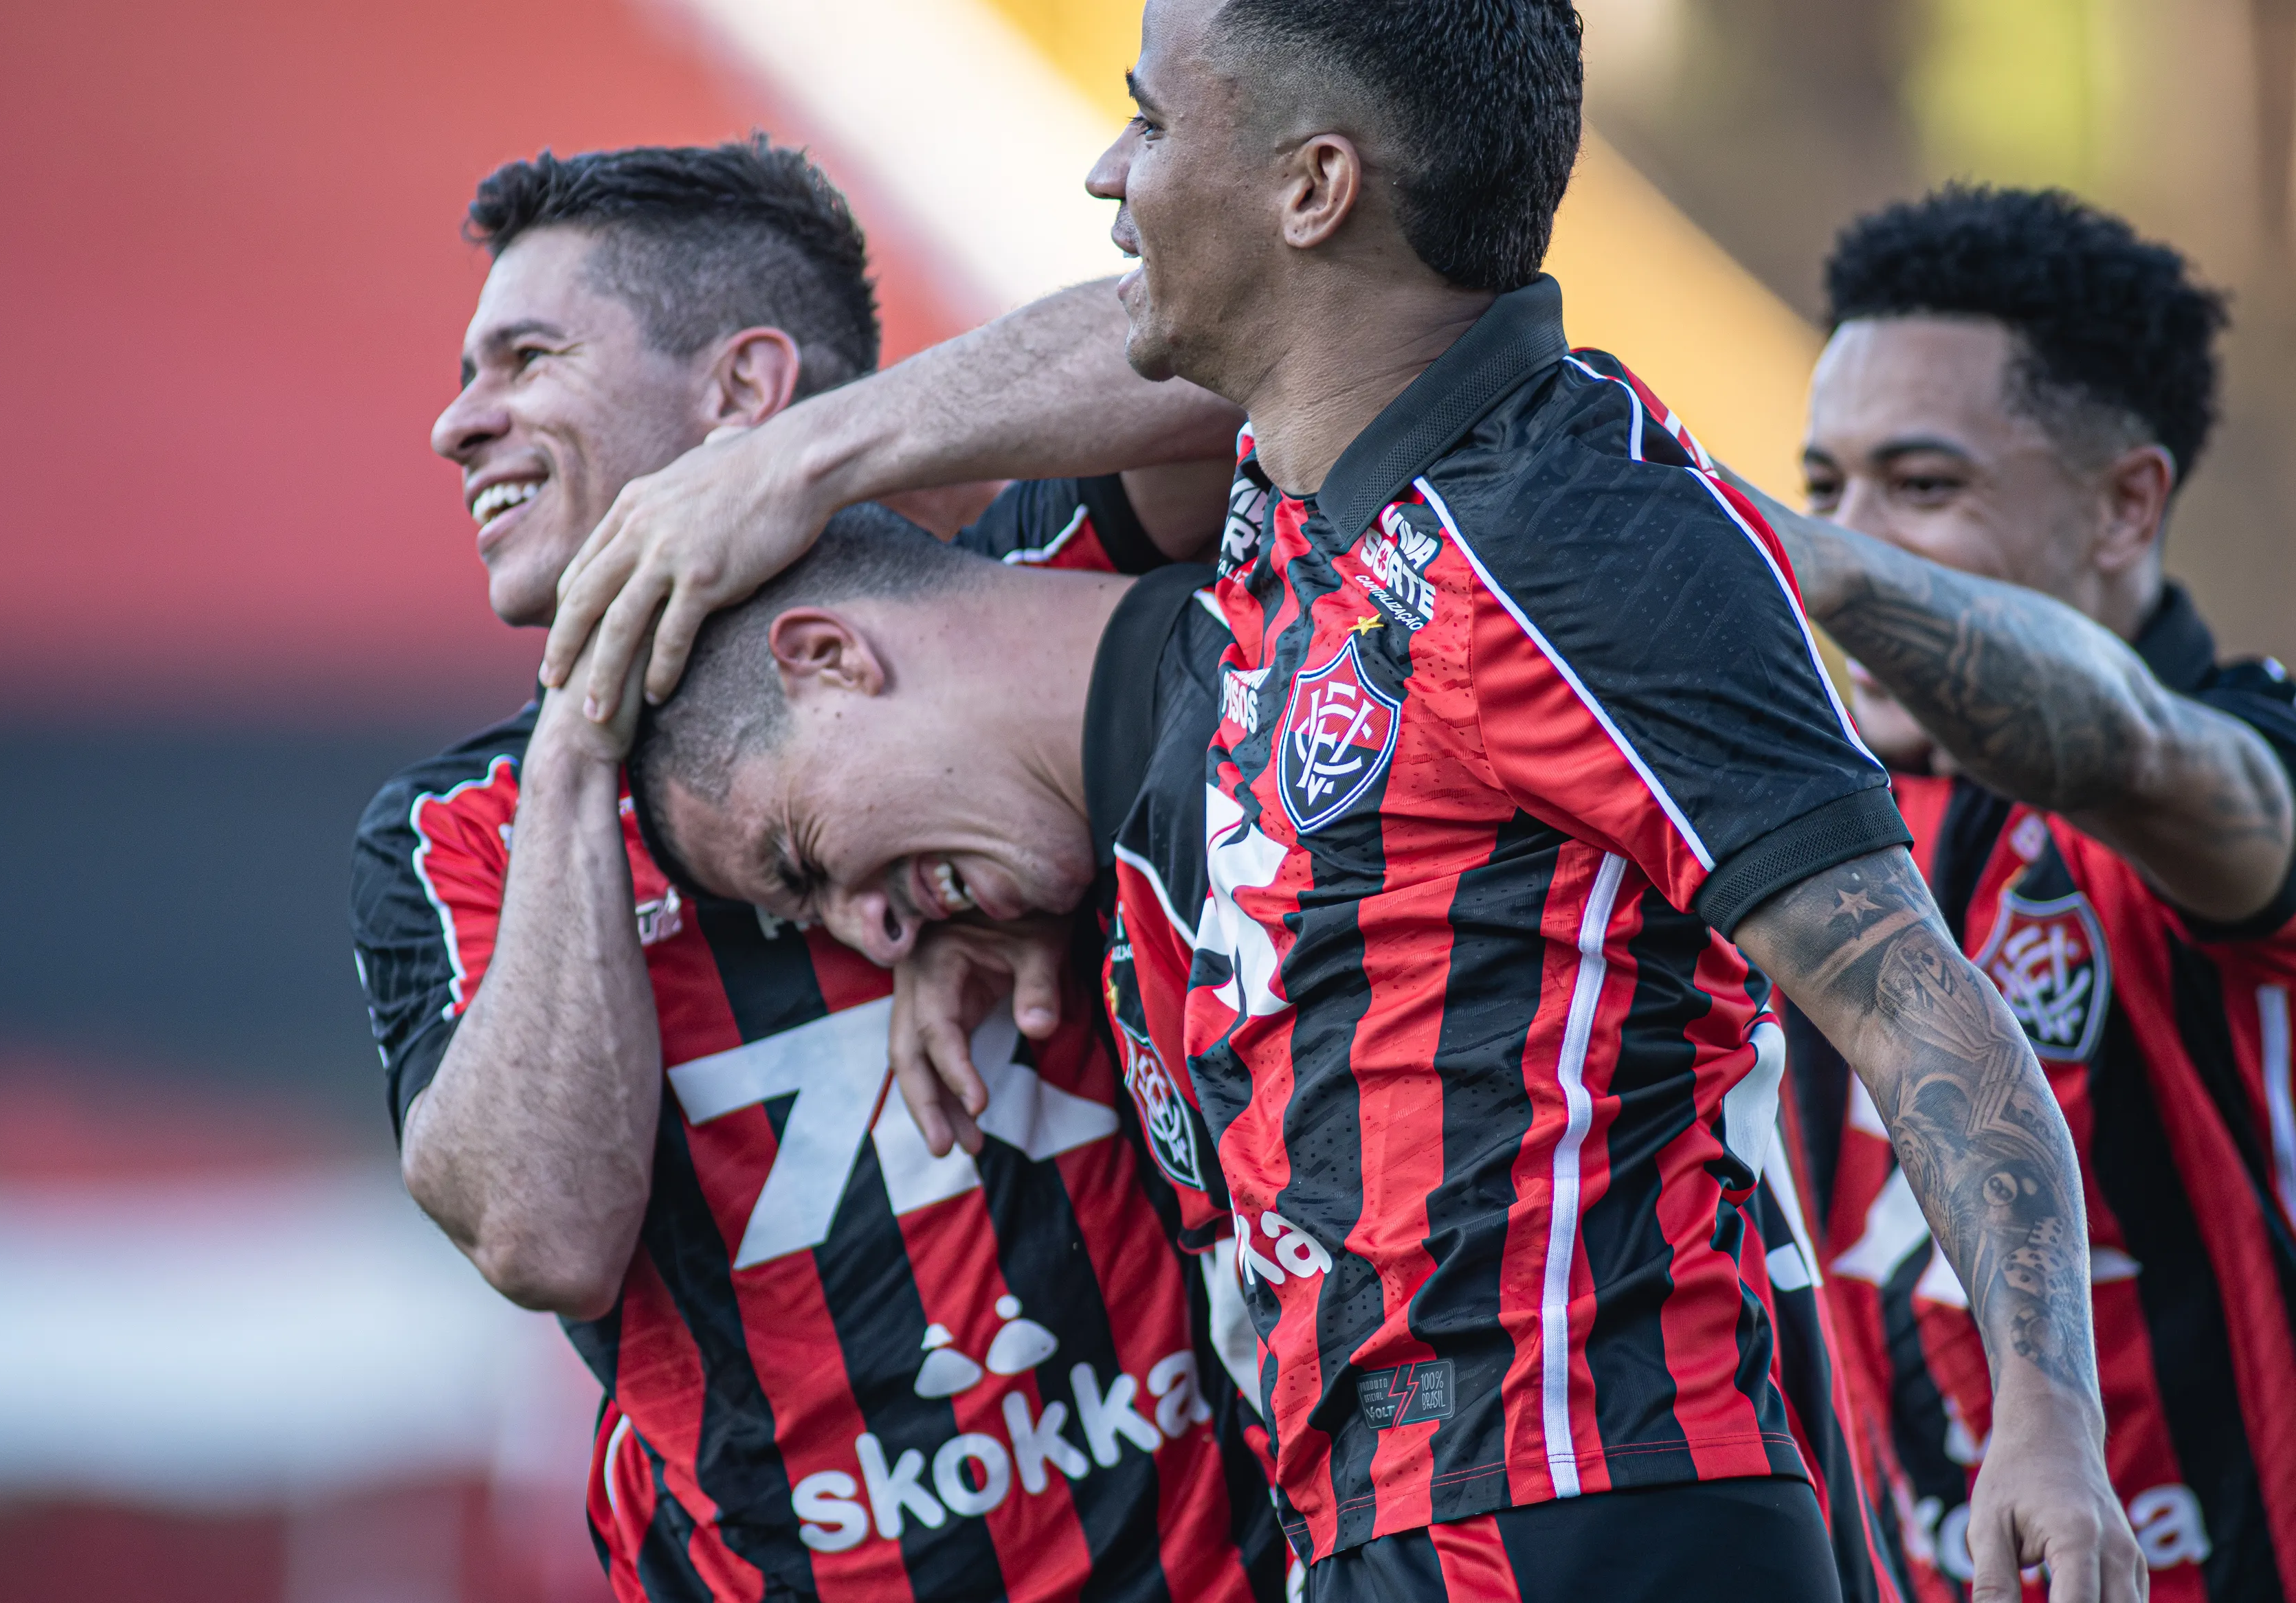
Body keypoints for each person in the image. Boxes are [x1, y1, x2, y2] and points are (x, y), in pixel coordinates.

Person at [544, 5, 2143, 1600]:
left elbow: (1917, 1001)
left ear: (1313, 189)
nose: (1109, 173)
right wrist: (993, 897)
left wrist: (2048, 1415)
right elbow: (1136, 370)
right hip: (1385, 1529)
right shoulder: (1288, 529)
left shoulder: (1567, 523)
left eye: (1152, 122)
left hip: (1589, 1502)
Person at [347, 140, 1286, 1602]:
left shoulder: (1001, 599)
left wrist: (812, 459)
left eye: (526, 359)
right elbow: (544, 1234)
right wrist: (582, 730)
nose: (456, 425)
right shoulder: (467, 825)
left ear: (742, 387)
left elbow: (1261, 343)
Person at [1736, 185, 2296, 1603]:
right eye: (1823, 487)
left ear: (2126, 504)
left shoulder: (2230, 766)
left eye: (1923, 488)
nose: (1857, 536)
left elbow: (2129, 742)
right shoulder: (1790, 800)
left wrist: (1757, 544)